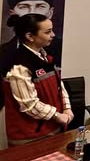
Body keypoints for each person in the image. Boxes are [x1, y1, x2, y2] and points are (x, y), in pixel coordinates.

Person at [2, 13, 73, 146]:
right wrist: (57, 116)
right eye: (48, 32)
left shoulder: (46, 57)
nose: (53, 35)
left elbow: (59, 86)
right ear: (30, 36)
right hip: (30, 137)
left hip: (53, 130)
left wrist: (67, 108)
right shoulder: (19, 66)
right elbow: (29, 104)